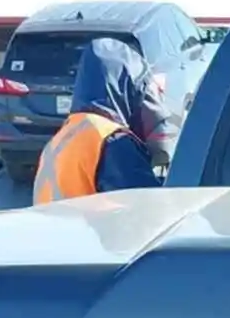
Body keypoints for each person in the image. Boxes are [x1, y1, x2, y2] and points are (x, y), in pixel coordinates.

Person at [32, 38, 170, 204]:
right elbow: (147, 209)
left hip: (58, 229)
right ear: (128, 89)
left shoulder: (62, 138)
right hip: (93, 229)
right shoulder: (112, 141)